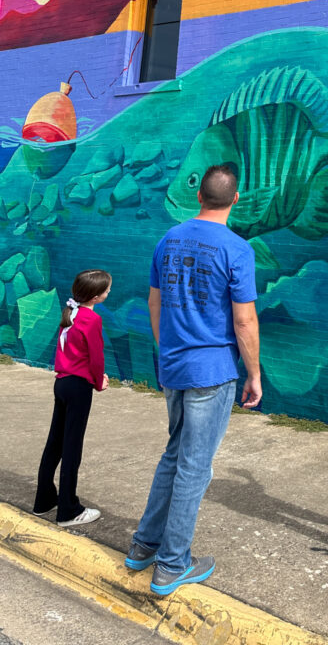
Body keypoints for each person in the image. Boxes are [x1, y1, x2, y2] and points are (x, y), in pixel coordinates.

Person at [125, 164, 261, 596]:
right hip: (211, 372)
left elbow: (154, 302)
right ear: (235, 199)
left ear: (199, 196)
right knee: (194, 467)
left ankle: (144, 543)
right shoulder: (237, 250)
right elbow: (244, 321)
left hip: (174, 367)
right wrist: (254, 373)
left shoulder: (168, 239)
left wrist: (168, 349)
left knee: (174, 454)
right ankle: (171, 563)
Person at [33, 269, 111, 527]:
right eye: (107, 290)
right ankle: (68, 509)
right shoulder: (92, 319)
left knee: (54, 442)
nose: (109, 292)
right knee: (72, 448)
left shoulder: (70, 314)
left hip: (62, 383)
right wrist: (99, 381)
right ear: (96, 296)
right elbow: (96, 357)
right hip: (78, 387)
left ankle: (43, 500)